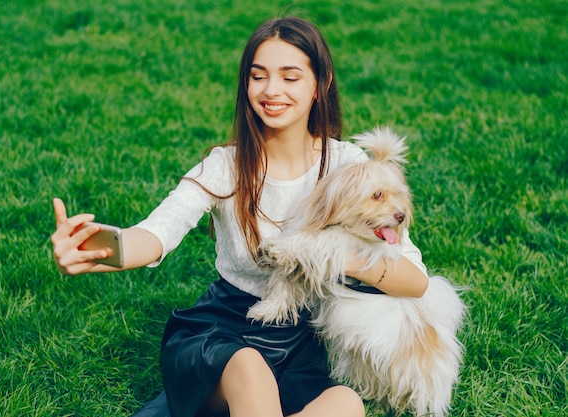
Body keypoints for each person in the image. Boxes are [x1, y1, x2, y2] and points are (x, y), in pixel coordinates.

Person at [51, 16, 429, 417]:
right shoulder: (225, 166)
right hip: (223, 331)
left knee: (347, 404)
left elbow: (415, 280)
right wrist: (101, 249)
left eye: (290, 77)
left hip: (302, 341)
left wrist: (326, 256)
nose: (271, 91)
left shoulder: (349, 166)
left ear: (321, 83)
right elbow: (158, 231)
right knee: (251, 369)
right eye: (258, 76)